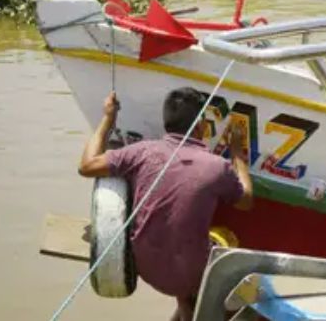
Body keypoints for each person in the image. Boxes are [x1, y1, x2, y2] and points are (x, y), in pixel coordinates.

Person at [78, 87, 253, 321]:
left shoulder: (142, 152)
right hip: (190, 274)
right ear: (201, 125)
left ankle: (184, 307)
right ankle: (193, 305)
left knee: (177, 234)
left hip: (147, 268)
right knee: (225, 242)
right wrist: (238, 156)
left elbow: (86, 166)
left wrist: (108, 118)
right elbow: (246, 201)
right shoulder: (216, 167)